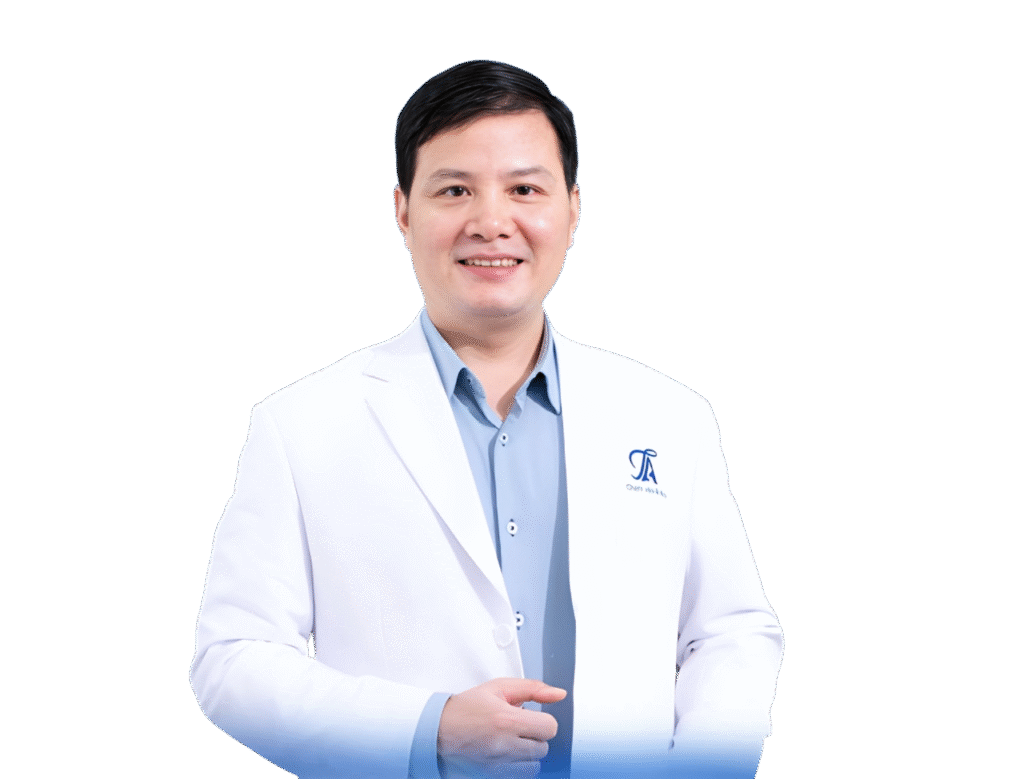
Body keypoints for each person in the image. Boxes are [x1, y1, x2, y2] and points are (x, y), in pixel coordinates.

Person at [190, 60, 783, 779]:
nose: (492, 223)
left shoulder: (669, 414)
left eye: (525, 189)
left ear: (573, 208)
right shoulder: (301, 424)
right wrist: (429, 728)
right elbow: (234, 661)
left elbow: (730, 631)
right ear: (403, 211)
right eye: (455, 190)